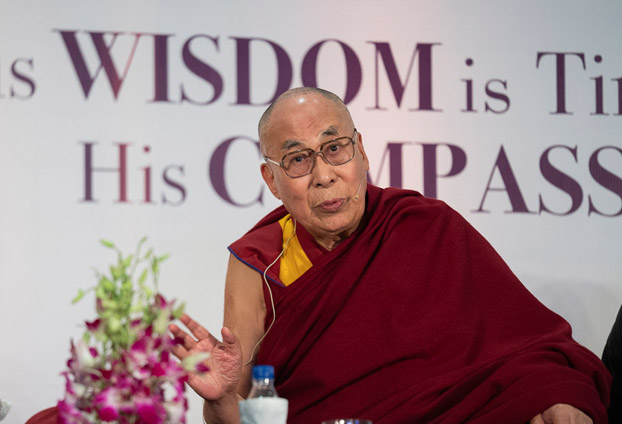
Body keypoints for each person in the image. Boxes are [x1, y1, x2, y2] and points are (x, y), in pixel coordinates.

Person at [169, 87, 611, 424]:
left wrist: (556, 396)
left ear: (360, 151)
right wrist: (223, 398)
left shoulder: (425, 226)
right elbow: (240, 412)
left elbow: (525, 348)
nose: (324, 176)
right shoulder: (259, 261)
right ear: (271, 180)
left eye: (334, 149)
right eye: (298, 160)